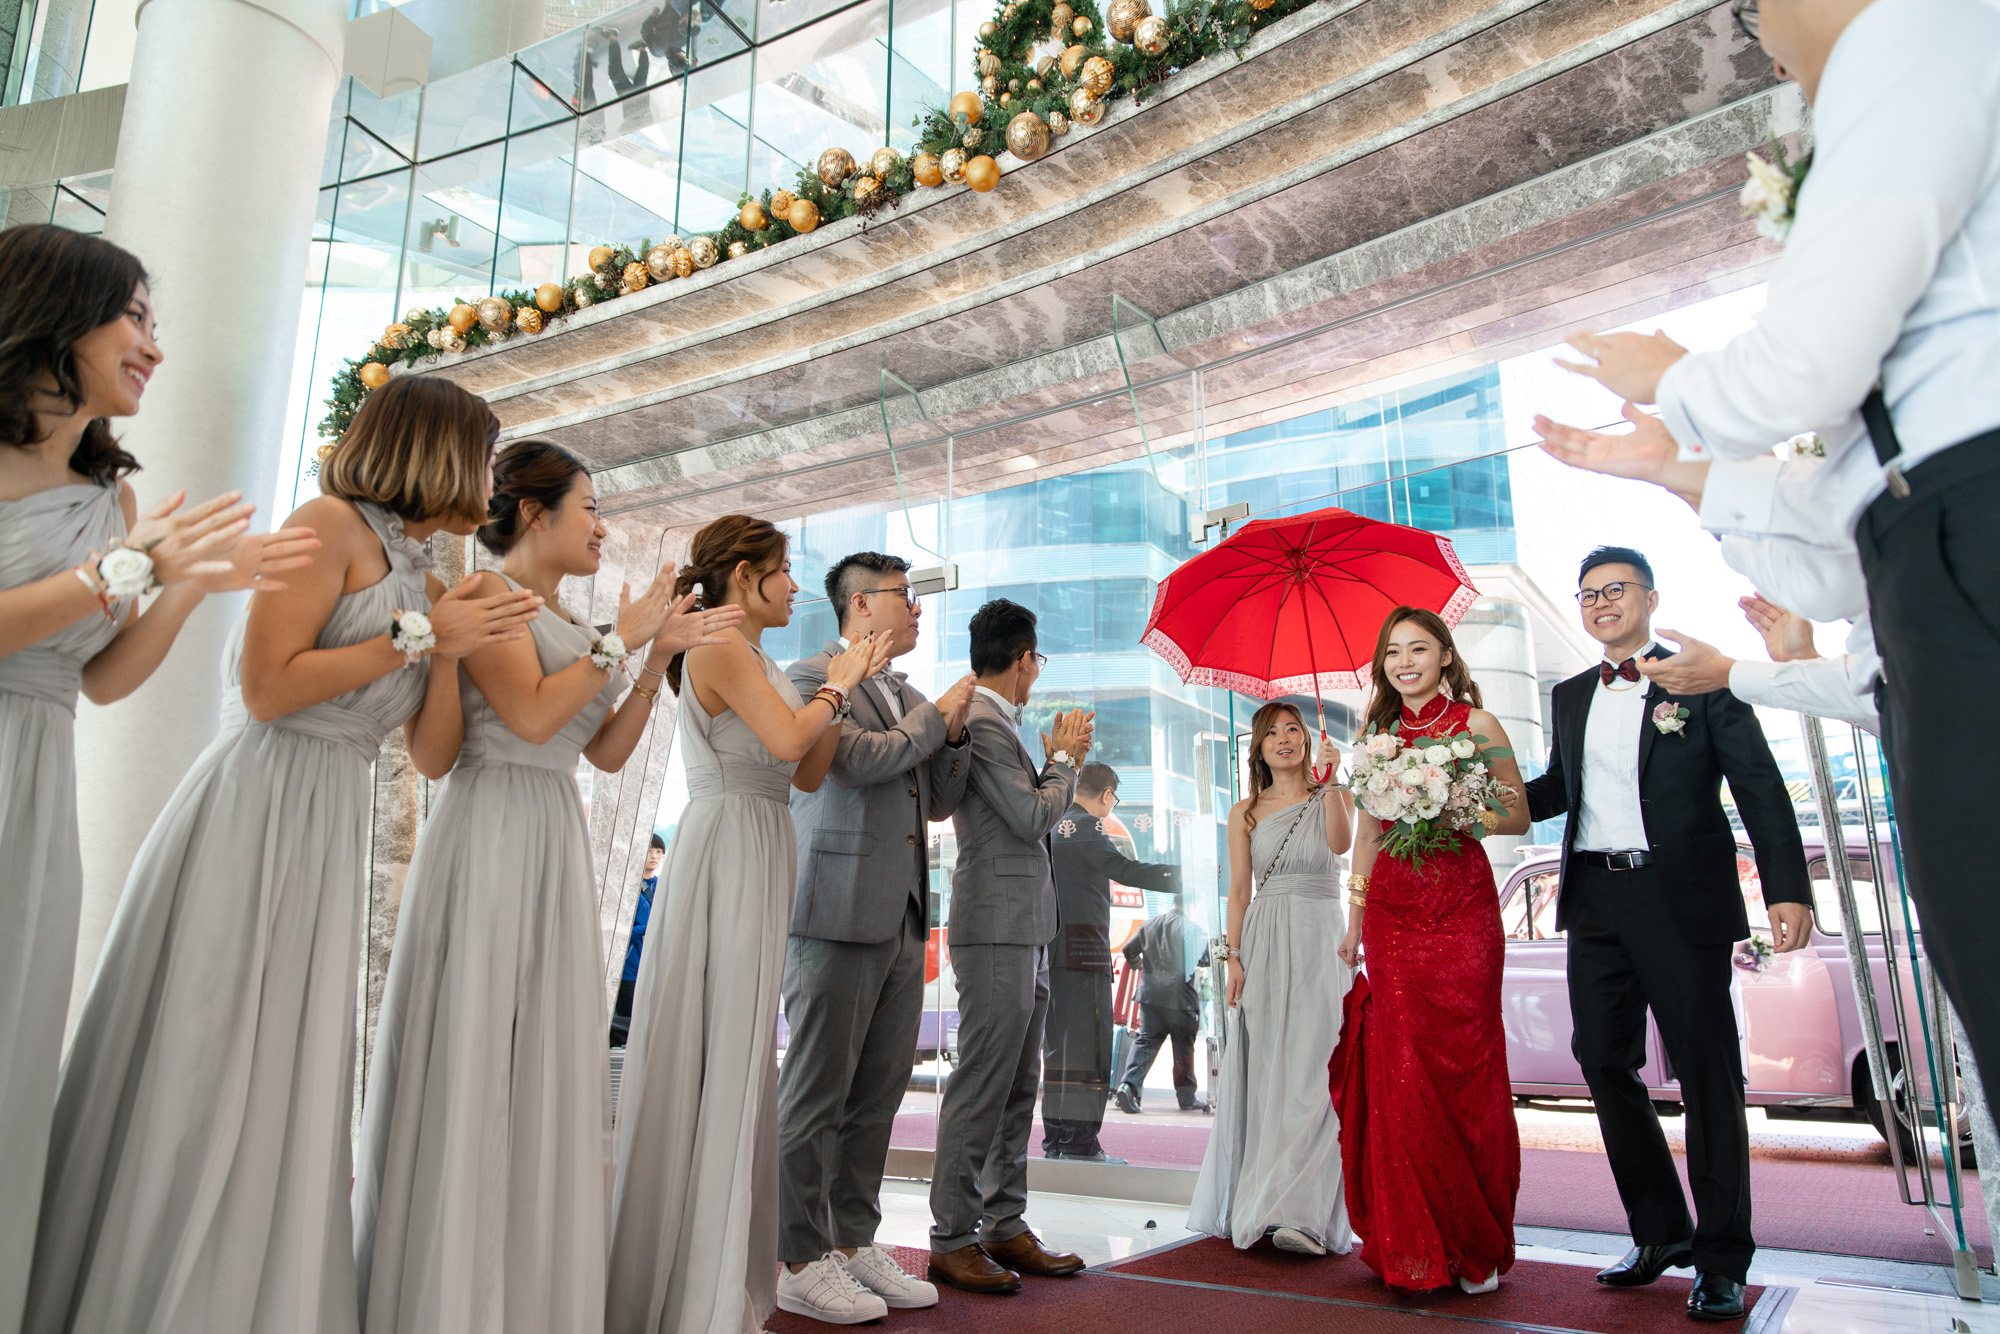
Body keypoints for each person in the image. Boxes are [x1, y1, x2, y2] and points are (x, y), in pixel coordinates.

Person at [1537, 0, 2000, 1122]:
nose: (1765, 46)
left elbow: (1809, 363)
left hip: (1967, 515)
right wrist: (1680, 468)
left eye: (1749, 18)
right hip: (1924, 541)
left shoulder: (1918, 34)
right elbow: (1836, 572)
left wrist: (1673, 377)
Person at [28, 375, 541, 1334]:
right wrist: (419, 635)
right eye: (481, 453)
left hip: (330, 820)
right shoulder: (327, 525)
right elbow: (268, 687)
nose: (488, 476)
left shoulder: (431, 581)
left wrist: (451, 649)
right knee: (208, 1039)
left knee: (281, 1066)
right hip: (255, 804)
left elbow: (432, 756)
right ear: (434, 449)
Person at [0, 224, 315, 1334]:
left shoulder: (111, 500)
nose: (154, 347)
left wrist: (183, 586)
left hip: (35, 792)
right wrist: (128, 568)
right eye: (134, 317)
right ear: (56, 314)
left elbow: (99, 679)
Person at [352, 441, 741, 1334]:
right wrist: (623, 640)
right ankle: (454, 1295)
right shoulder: (485, 597)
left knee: (541, 1064)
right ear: (534, 513)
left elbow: (601, 752)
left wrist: (653, 659)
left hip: (552, 830)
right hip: (489, 832)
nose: (602, 527)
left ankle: (527, 1293)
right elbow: (528, 715)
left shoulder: (569, 616)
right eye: (590, 508)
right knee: (480, 1048)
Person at [605, 515, 888, 1334]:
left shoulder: (757, 658)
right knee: (719, 1045)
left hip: (764, 837)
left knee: (745, 1047)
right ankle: (692, 1278)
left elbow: (805, 767)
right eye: (783, 568)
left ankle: (723, 1264)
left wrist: (843, 691)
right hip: (726, 841)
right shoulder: (720, 643)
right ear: (742, 573)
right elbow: (789, 733)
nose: (795, 585)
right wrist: (835, 685)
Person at [1519, 547, 1810, 1321]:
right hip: (1595, 900)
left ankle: (1723, 1259)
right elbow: (1557, 788)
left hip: (1681, 898)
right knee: (1602, 1060)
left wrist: (1787, 887)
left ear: (1650, 598)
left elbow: (1759, 786)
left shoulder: (1699, 678)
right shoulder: (1570, 694)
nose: (1600, 603)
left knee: (1707, 1074)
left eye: (1614, 590)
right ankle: (1660, 1232)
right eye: (1587, 594)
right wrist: (1471, 790)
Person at [773, 551, 975, 1325]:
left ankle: (851, 1241)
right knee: (816, 1093)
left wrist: (952, 733)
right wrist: (932, 720)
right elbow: (854, 762)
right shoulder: (809, 677)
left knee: (878, 1095)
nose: (917, 609)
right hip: (833, 908)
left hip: (903, 914)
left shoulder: (912, 696)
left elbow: (938, 801)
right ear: (860, 605)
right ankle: (798, 1258)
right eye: (903, 596)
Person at [1331, 610, 1529, 1293]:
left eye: (1418, 648)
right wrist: (1354, 917)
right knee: (1404, 1073)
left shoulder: (1479, 726)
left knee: (1469, 1067)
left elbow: (1516, 813)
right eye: (1393, 651)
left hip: (1463, 910)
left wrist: (1449, 807)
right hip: (1392, 915)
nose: (1404, 662)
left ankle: (1477, 1240)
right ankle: (1415, 1243)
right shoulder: (1375, 740)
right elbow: (1367, 837)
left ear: (1445, 656)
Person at [927, 599, 1094, 1295]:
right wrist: (1066, 762)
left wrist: (1054, 761)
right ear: (1024, 659)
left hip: (1026, 925)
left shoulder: (1000, 722)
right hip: (995, 925)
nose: (1036, 671)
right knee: (983, 1082)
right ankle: (951, 1236)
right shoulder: (986, 722)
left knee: (1019, 1084)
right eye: (1037, 660)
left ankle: (1003, 1223)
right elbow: (1030, 817)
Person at [1190, 702, 1353, 1257]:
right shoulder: (1245, 812)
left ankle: (1305, 1214)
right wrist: (1233, 958)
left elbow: (1341, 846)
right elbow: (1239, 889)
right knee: (1270, 1072)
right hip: (1265, 939)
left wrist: (1333, 780)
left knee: (1318, 1070)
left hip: (1322, 938)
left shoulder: (1332, 794)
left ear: (1307, 740)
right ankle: (1266, 1205)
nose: (1284, 739)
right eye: (1272, 733)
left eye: (1293, 730)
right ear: (1257, 748)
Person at [1043, 763, 1180, 1163]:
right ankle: (1080, 1144)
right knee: (1090, 1053)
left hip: (1050, 955)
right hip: (1084, 955)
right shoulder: (1088, 826)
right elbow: (1124, 869)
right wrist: (1183, 876)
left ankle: (1057, 1141)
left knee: (1058, 1053)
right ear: (1106, 795)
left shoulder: (1051, 824)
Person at [1116, 891, 1209, 1115]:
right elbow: (1204, 958)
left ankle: (1128, 1087)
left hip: (1150, 996)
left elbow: (1128, 949)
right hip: (1180, 1000)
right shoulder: (1192, 929)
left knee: (1145, 1042)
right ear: (1192, 906)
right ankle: (1186, 1098)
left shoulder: (1150, 924)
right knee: (1183, 1048)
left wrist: (1138, 964)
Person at [611, 833, 669, 1046]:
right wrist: (649, 928)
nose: (654, 856)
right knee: (628, 1029)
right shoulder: (626, 889)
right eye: (649, 851)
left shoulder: (663, 887)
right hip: (630, 970)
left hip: (655, 968)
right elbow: (620, 931)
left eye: (659, 851)